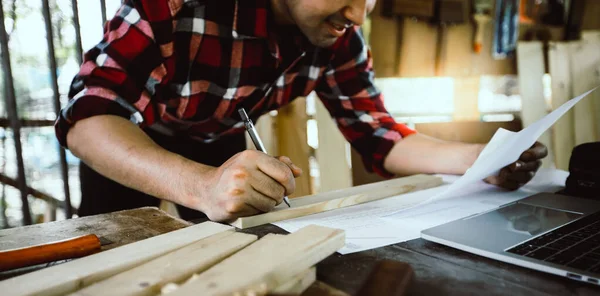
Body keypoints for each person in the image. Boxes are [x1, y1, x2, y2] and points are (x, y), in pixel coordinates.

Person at [56, 0, 547, 222]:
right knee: (110, 258)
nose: (358, 15)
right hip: (129, 143)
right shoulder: (173, 6)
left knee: (225, 262)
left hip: (221, 143)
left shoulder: (339, 38)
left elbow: (377, 134)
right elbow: (88, 118)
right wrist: (199, 185)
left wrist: (482, 159)